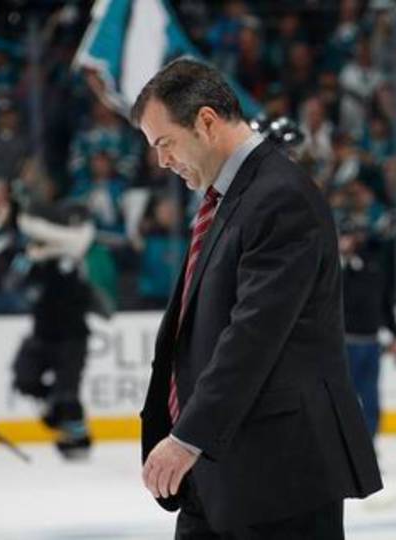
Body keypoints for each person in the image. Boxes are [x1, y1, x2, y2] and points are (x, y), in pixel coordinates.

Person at [131, 58, 382, 539]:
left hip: (281, 473)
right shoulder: (232, 196)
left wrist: (188, 437)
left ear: (206, 122)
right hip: (224, 466)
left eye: (165, 143)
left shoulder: (280, 195)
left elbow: (254, 334)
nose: (162, 161)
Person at [10, 200, 96, 460]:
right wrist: (30, 256)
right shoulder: (33, 258)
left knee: (67, 393)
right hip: (41, 334)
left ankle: (77, 439)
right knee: (24, 379)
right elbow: (13, 282)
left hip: (72, 336)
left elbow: (75, 243)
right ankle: (55, 407)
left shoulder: (75, 253)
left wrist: (33, 233)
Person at [338, 218, 396, 442]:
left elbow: (384, 302)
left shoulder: (372, 265)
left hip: (371, 342)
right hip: (344, 343)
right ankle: (345, 445)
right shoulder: (334, 267)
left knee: (370, 398)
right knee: (345, 399)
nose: (348, 241)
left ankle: (369, 443)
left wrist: (394, 333)